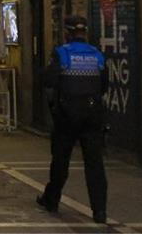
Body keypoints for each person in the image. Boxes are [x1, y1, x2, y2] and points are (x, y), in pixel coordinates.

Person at [36, 15, 108, 224]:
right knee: (95, 164)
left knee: (60, 160)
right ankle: (100, 210)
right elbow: (104, 86)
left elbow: (49, 80)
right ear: (85, 32)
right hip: (93, 115)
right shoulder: (97, 55)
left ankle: (52, 199)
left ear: (67, 33)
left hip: (67, 116)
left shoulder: (62, 53)